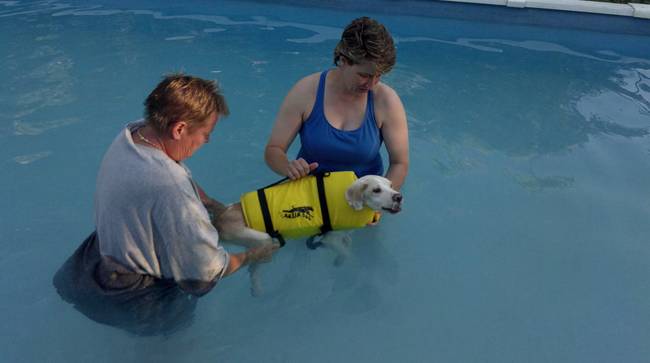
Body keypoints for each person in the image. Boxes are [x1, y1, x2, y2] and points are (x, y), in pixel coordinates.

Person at [53, 74, 277, 336]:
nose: (207, 141)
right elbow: (204, 272)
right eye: (206, 134)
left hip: (88, 265)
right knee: (174, 347)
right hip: (136, 294)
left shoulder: (133, 134)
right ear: (179, 129)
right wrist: (252, 255)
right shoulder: (171, 187)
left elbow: (176, 174)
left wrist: (212, 204)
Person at [265, 16, 409, 190]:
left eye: (379, 76)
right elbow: (274, 149)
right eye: (364, 75)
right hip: (309, 194)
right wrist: (288, 167)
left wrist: (380, 202)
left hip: (363, 199)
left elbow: (399, 163)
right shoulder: (306, 91)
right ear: (343, 60)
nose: (372, 84)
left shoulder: (386, 100)